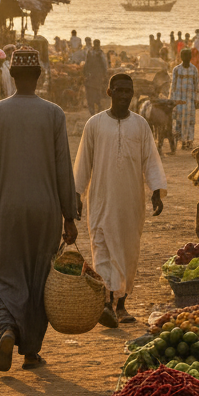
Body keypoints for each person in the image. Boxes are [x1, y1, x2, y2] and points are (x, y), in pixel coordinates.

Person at [0, 48, 79, 371]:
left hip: (7, 208)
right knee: (39, 277)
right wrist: (69, 215)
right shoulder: (54, 114)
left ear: (13, 76)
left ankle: (7, 328)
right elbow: (63, 169)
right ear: (39, 77)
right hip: (46, 210)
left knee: (5, 272)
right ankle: (31, 351)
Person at [74, 73, 166, 324]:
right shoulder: (94, 124)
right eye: (120, 90)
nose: (125, 95)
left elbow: (151, 160)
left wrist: (157, 191)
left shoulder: (140, 125)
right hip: (101, 199)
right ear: (109, 92)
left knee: (127, 252)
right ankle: (106, 304)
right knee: (102, 249)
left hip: (130, 202)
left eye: (128, 91)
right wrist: (76, 194)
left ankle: (122, 305)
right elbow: (83, 162)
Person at [170, 48, 199, 148]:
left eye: (188, 56)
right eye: (184, 56)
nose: (186, 58)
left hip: (190, 100)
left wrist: (197, 99)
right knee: (178, 121)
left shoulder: (194, 70)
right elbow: (173, 86)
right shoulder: (176, 70)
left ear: (190, 57)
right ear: (181, 57)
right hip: (179, 100)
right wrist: (172, 100)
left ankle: (189, 141)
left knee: (190, 121)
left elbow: (197, 85)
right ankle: (182, 141)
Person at [83, 39, 110, 114]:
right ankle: (96, 108)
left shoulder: (91, 52)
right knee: (95, 92)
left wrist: (85, 73)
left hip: (93, 76)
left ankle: (95, 108)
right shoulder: (99, 53)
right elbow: (105, 65)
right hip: (95, 76)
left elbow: (86, 64)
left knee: (92, 93)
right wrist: (105, 74)